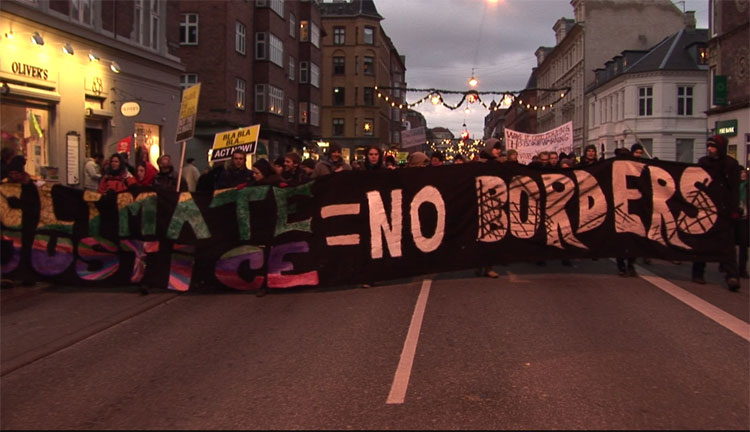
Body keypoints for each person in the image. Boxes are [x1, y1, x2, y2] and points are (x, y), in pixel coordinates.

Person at [692, 135, 741, 291]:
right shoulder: (703, 163)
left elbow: (734, 189)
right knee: (702, 242)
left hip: (724, 210)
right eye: (709, 146)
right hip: (706, 208)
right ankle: (698, 272)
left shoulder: (731, 164)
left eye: (712, 147)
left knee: (727, 245)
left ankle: (732, 276)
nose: (709, 149)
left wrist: (734, 209)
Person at [736, 166, 749, 279]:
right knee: (728, 243)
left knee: (744, 245)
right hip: (733, 218)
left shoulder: (747, 186)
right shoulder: (734, 187)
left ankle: (742, 269)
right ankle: (725, 265)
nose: (743, 174)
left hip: (744, 219)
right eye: (741, 173)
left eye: (744, 172)